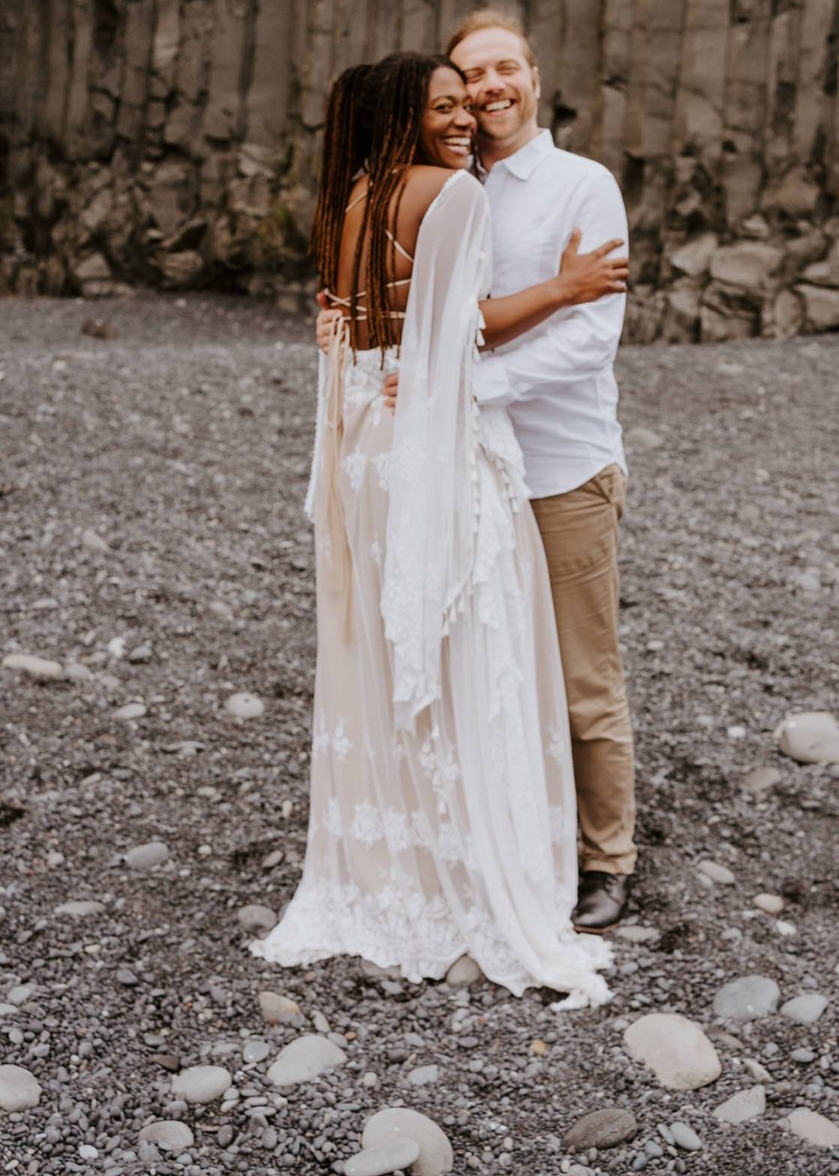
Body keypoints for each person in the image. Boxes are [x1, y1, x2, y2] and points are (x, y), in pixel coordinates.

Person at [252, 52, 625, 1005]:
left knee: (389, 650)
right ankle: (469, 870)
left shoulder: (354, 197)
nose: (463, 118)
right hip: (433, 441)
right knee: (469, 645)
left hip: (370, 444)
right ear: (404, 114)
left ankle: (394, 865)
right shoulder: (451, 193)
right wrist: (567, 287)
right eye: (445, 105)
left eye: (470, 103)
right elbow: (460, 335)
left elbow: (357, 326)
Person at [446, 11, 636, 934]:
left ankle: (607, 861)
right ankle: (527, 837)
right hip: (470, 471)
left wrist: (464, 387)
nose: (490, 87)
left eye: (503, 68)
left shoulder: (580, 185)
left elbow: (590, 338)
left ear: (533, 74)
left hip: (561, 468)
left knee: (579, 675)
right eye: (472, 74)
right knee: (494, 666)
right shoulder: (451, 188)